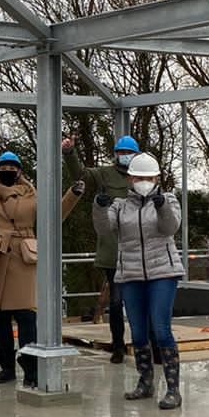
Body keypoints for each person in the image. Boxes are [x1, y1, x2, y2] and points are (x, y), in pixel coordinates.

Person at [0, 139, 82, 387]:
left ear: (20, 171)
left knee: (27, 318)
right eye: (3, 167)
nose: (7, 171)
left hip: (22, 260)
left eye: (12, 167)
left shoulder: (32, 194)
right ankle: (6, 365)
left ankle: (31, 368)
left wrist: (73, 195)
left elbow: (54, 216)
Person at [93, 153, 185, 408]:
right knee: (138, 331)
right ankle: (145, 383)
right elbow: (103, 229)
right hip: (130, 275)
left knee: (162, 329)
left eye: (148, 177)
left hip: (163, 273)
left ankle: (173, 390)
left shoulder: (168, 200)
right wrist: (99, 207)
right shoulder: (120, 206)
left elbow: (170, 228)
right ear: (130, 178)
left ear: (157, 178)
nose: (143, 181)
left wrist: (161, 206)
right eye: (139, 177)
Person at [63, 133, 139, 363]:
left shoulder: (142, 176)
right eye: (120, 152)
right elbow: (81, 175)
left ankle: (145, 343)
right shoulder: (105, 174)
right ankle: (118, 346)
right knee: (116, 302)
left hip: (138, 250)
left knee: (139, 301)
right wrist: (70, 153)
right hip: (112, 251)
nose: (124, 156)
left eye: (128, 153)